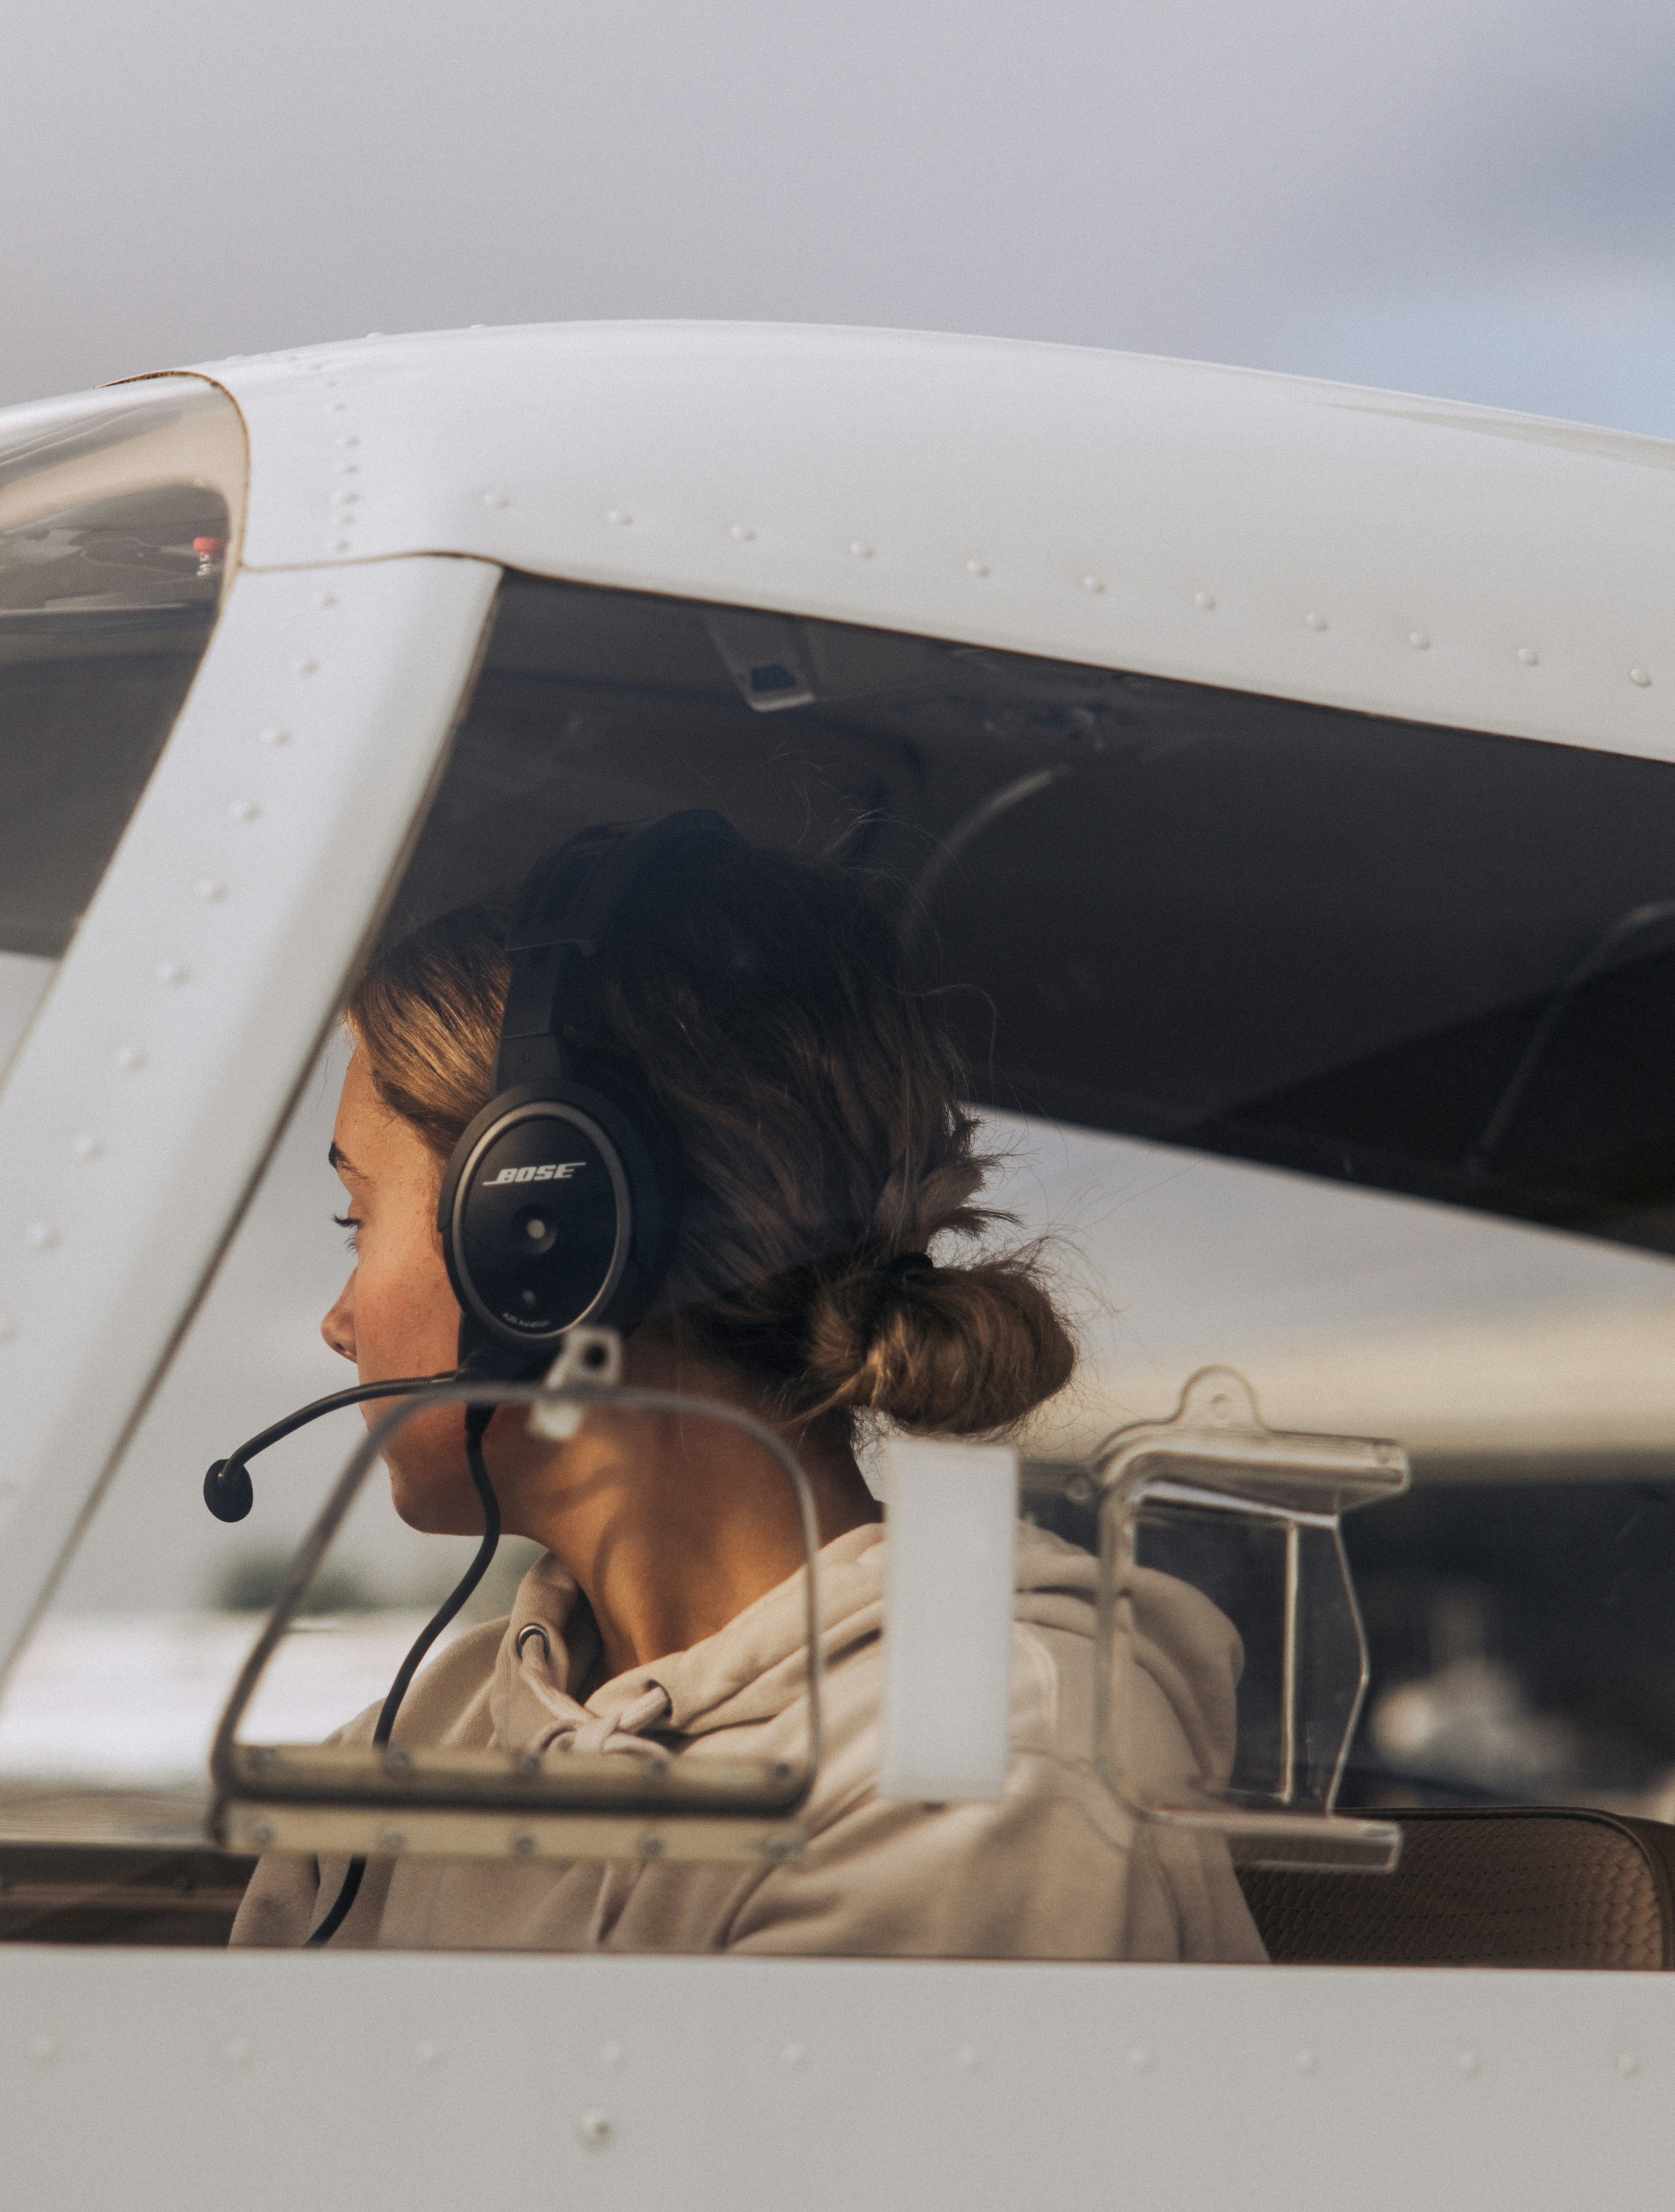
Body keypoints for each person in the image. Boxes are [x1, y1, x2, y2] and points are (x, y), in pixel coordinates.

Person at [233, 831, 1264, 1962]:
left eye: (355, 1219)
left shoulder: (968, 1764)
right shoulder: (428, 1735)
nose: (338, 1321)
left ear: (540, 1239)